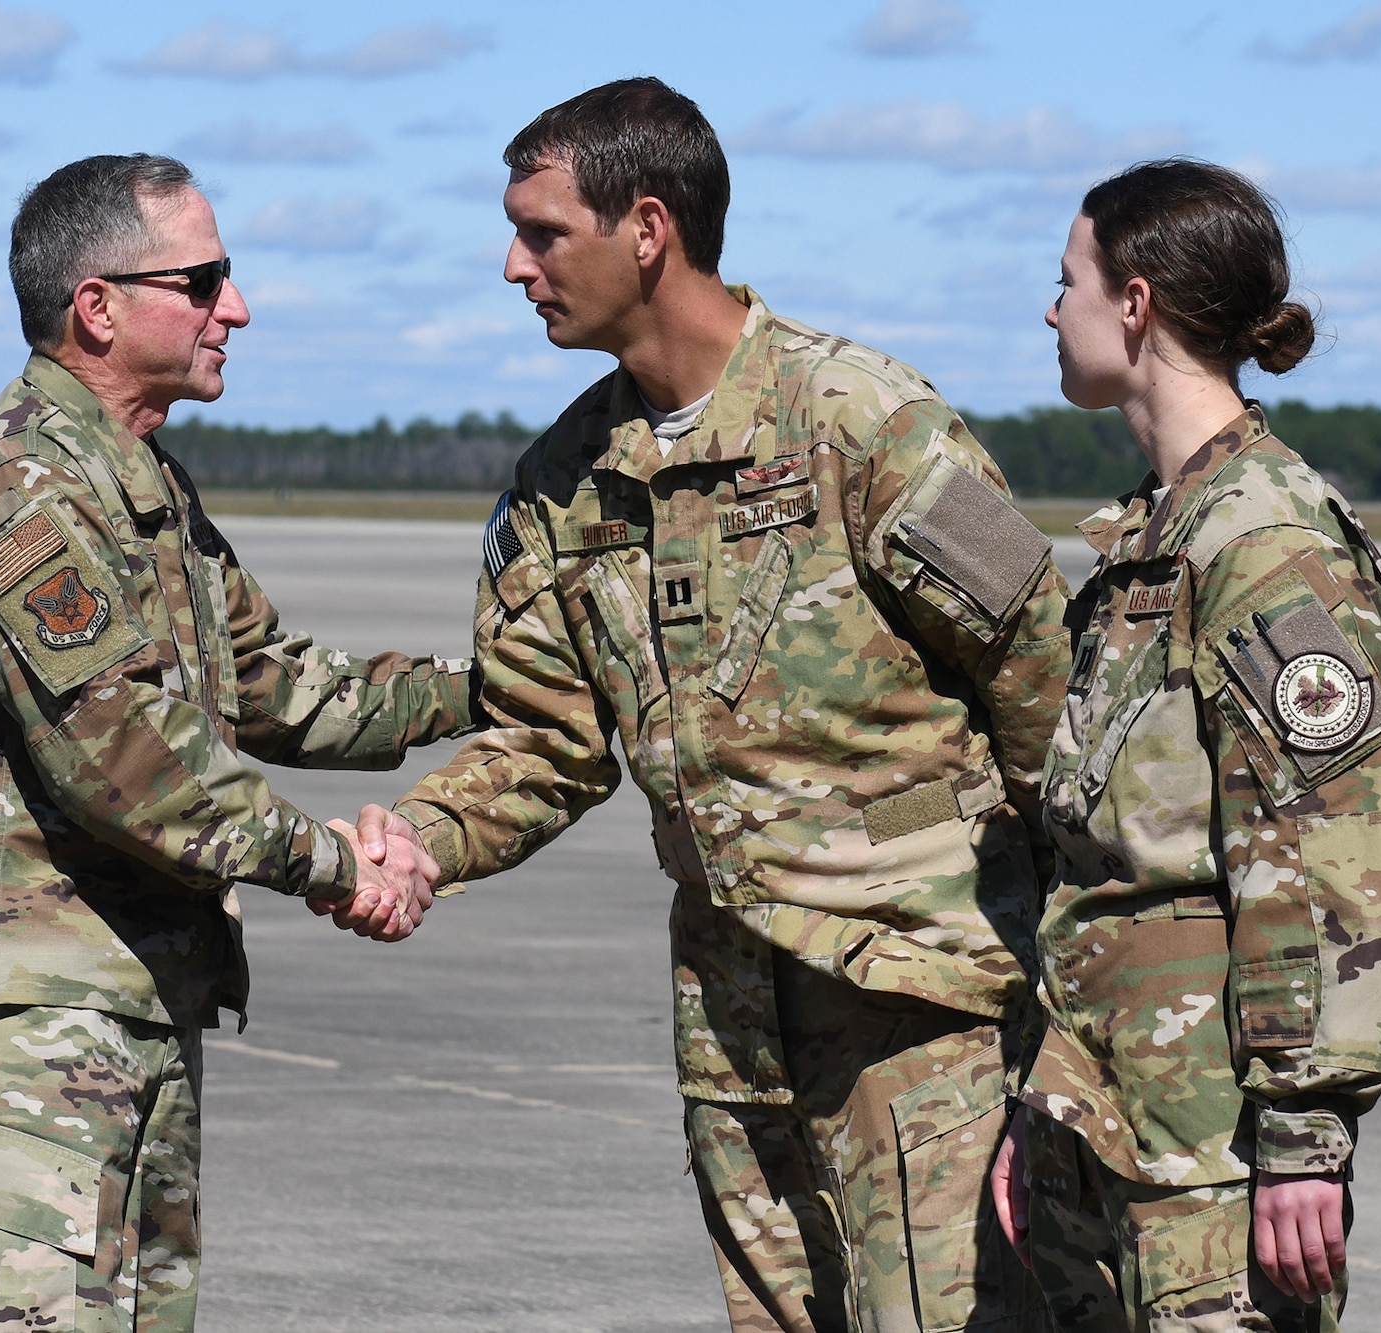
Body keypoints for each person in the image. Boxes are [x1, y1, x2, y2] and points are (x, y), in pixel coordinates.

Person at [349, 78, 1070, 1333]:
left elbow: (1043, 691)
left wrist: (1078, 997)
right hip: (734, 1026)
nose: (510, 266)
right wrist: (419, 839)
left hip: (922, 1012)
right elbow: (546, 738)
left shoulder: (858, 424)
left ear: (645, 227)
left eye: (539, 232)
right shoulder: (564, 484)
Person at [0, 153, 475, 1332]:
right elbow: (130, 767)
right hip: (12, 1049)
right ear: (98, 306)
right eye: (204, 279)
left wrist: (499, 687)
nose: (234, 307)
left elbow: (276, 684)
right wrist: (341, 866)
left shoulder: (136, 485)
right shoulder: (18, 487)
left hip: (118, 1026)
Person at [988, 159, 1381, 1332]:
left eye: (1063, 277)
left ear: (1132, 305)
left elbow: (1319, 855)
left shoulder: (1266, 541)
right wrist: (1048, 1107)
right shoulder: (1154, 539)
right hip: (1109, 1123)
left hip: (1211, 1161)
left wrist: (1302, 1133)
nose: (1046, 307)